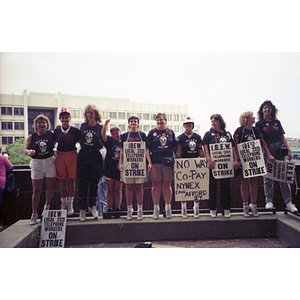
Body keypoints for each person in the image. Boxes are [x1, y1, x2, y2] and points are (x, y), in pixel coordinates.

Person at [255, 100, 298, 213]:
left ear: (272, 110)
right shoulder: (259, 124)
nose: (267, 110)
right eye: (265, 108)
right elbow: (262, 140)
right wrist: (268, 154)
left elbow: (282, 137)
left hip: (279, 149)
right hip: (268, 149)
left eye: (269, 108)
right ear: (262, 110)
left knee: (283, 177)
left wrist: (289, 150)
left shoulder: (277, 122)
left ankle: (289, 203)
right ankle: (269, 201)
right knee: (268, 178)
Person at [234, 111, 275, 217]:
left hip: (255, 160)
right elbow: (235, 145)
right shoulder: (239, 131)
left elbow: (263, 142)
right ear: (246, 119)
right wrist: (237, 160)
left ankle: (254, 204)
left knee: (254, 182)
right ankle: (245, 205)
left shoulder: (256, 130)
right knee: (245, 182)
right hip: (244, 161)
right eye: (252, 116)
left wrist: (269, 155)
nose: (254, 118)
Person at [203, 114, 239, 218]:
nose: (213, 123)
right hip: (213, 165)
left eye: (215, 121)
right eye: (212, 121)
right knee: (212, 187)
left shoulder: (227, 134)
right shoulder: (208, 134)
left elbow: (232, 148)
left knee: (226, 187)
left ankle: (226, 208)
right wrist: (208, 159)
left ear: (220, 122)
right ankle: (212, 208)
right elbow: (205, 147)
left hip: (226, 165)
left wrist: (235, 160)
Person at [118, 116, 152, 221]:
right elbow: (122, 150)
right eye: (131, 121)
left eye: (135, 121)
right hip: (128, 165)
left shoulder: (142, 135)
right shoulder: (124, 135)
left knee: (139, 187)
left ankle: (140, 210)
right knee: (128, 187)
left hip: (140, 164)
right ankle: (129, 210)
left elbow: (146, 149)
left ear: (138, 124)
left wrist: (149, 162)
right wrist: (120, 163)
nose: (133, 123)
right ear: (128, 124)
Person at [25, 114, 56, 225]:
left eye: (44, 122)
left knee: (50, 187)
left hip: (49, 162)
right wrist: (29, 152)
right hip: (37, 163)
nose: (42, 124)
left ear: (47, 125)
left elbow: (59, 141)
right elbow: (26, 149)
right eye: (39, 122)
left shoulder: (51, 135)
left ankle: (46, 206)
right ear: (36, 125)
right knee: (36, 190)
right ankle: (34, 213)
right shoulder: (32, 136)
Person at [147, 112, 177, 219]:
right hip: (155, 162)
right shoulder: (152, 133)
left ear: (166, 120)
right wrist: (149, 162)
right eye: (158, 120)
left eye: (161, 119)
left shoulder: (171, 133)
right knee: (155, 186)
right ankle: (156, 209)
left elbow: (175, 149)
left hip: (168, 162)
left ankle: (168, 209)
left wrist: (175, 163)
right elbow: (147, 149)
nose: (160, 121)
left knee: (167, 186)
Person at [77, 104, 104, 221]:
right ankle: (82, 209)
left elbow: (104, 142)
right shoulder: (82, 126)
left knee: (93, 184)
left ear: (95, 114)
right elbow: (76, 139)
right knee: (82, 184)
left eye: (91, 113)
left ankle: (92, 206)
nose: (89, 115)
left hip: (95, 157)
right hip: (83, 156)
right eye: (87, 113)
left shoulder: (100, 127)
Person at [54, 108, 81, 216]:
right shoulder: (56, 131)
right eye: (63, 117)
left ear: (70, 118)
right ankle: (63, 203)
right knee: (62, 181)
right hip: (60, 155)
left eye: (67, 117)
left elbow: (81, 143)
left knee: (72, 181)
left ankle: (70, 204)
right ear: (60, 119)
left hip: (72, 155)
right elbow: (51, 143)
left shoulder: (75, 131)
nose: (65, 119)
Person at [176, 117, 205, 218]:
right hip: (184, 163)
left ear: (192, 126)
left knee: (196, 186)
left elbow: (200, 150)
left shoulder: (197, 136)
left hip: (195, 163)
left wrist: (203, 160)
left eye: (190, 125)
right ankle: (184, 208)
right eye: (186, 125)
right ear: (184, 126)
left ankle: (196, 207)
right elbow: (178, 151)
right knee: (184, 186)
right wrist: (177, 163)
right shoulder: (180, 137)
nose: (188, 126)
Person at [101, 119, 123, 218]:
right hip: (109, 168)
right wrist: (105, 125)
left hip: (119, 169)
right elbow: (103, 136)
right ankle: (109, 209)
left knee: (118, 190)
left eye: (117, 133)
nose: (115, 135)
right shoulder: (109, 141)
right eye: (113, 134)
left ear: (120, 132)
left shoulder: (123, 142)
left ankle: (117, 209)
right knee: (110, 190)